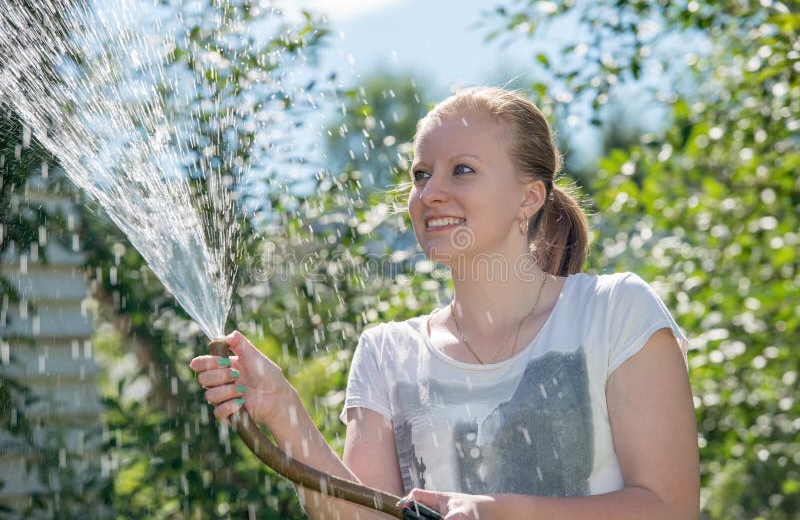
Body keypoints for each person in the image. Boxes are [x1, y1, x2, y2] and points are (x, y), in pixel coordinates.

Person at [190, 87, 700, 519]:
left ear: (529, 197)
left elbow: (669, 508)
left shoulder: (614, 311)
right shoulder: (387, 353)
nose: (430, 192)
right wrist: (285, 413)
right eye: (420, 175)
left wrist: (495, 511)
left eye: (462, 170)